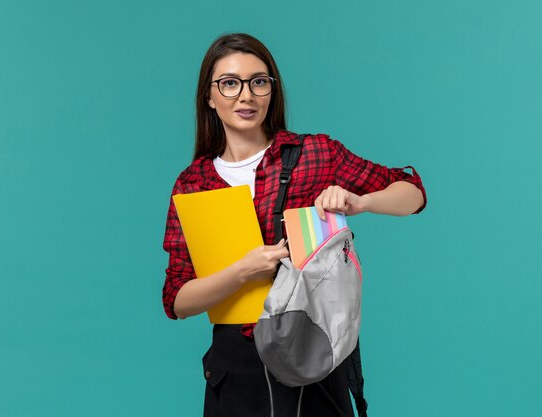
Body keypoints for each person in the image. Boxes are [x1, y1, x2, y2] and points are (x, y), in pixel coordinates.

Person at [162, 33, 427, 417]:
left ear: (272, 90)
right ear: (210, 96)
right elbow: (176, 299)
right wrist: (242, 272)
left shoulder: (314, 154)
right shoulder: (193, 183)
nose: (246, 95)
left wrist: (361, 201)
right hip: (235, 373)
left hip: (310, 357)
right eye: (230, 83)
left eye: (259, 81)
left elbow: (413, 193)